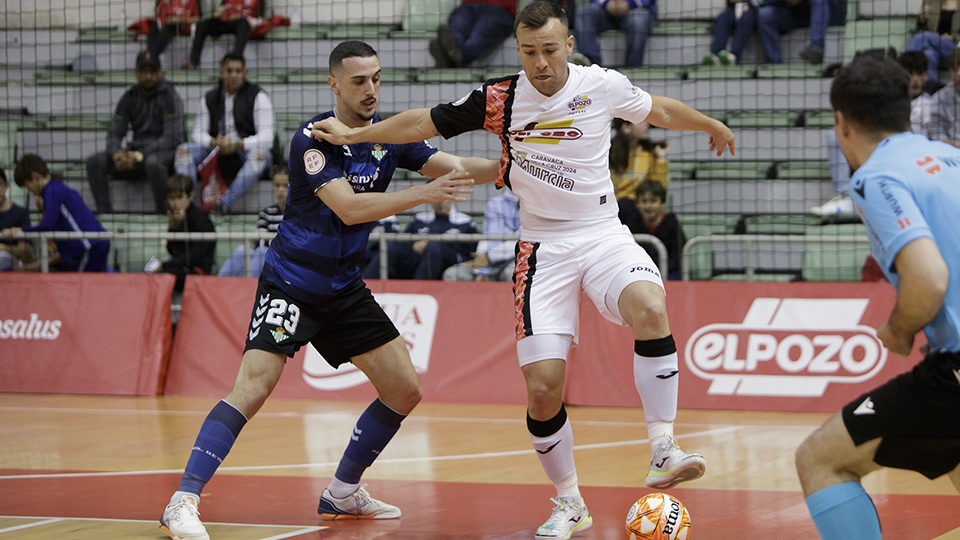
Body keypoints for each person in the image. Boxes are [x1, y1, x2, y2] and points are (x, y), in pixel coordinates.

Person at [310, 4, 735, 538]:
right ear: (518, 51)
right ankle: (569, 502)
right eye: (529, 52)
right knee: (543, 389)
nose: (540, 62)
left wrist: (709, 122)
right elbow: (423, 122)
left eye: (550, 50)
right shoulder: (500, 98)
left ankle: (664, 447)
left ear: (570, 45)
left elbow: (660, 111)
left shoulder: (600, 85)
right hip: (543, 248)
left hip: (604, 232)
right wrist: (353, 138)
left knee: (651, 305)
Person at [157, 40, 498, 540]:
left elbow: (460, 167)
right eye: (359, 81)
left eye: (377, 78)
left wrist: (517, 166)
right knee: (253, 387)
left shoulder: (389, 136)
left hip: (342, 288)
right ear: (334, 83)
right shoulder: (314, 139)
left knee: (405, 388)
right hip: (291, 283)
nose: (371, 90)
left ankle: (342, 492)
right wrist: (421, 195)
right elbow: (351, 209)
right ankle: (182, 501)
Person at [795, 57, 960, 540]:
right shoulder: (951, 156)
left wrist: (899, 329)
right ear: (906, 109)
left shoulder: (876, 177)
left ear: (840, 123)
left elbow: (928, 278)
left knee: (820, 459)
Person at [86, 51, 185, 215]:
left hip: (163, 155)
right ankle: (105, 215)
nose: (148, 76)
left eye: (152, 71)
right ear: (137, 74)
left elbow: (171, 138)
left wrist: (139, 154)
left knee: (154, 163)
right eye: (143, 72)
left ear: (160, 73)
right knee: (94, 162)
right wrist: (116, 153)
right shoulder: (129, 97)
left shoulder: (170, 97)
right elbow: (115, 131)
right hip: (134, 155)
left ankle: (163, 214)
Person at [175, 53, 275, 215]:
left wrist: (236, 144)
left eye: (238, 71)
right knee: (183, 151)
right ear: (222, 73)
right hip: (216, 149)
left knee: (259, 155)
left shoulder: (258, 96)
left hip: (244, 150)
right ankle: (189, 207)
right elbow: (197, 133)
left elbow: (268, 138)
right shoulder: (210, 97)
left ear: (245, 73)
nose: (233, 75)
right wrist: (213, 143)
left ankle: (223, 203)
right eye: (229, 71)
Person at [3, 155, 109, 272]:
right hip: (95, 244)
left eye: (27, 185)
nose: (29, 190)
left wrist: (21, 231)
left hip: (90, 246)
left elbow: (48, 225)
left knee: (79, 287)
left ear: (35, 176)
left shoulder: (51, 192)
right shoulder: (56, 188)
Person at [364, 200, 478, 280]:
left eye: (443, 197)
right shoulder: (420, 218)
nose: (439, 202)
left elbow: (473, 250)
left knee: (434, 247)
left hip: (449, 260)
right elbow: (403, 240)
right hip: (419, 258)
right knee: (393, 245)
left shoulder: (465, 221)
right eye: (435, 198)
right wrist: (414, 244)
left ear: (451, 196)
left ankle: (419, 290)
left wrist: (432, 243)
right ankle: (369, 284)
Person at [147, 174, 216, 291]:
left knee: (162, 275)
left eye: (179, 198)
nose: (174, 203)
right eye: (171, 198)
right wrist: (174, 228)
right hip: (179, 268)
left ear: (190, 196)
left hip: (197, 272)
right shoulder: (175, 217)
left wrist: (165, 265)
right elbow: (172, 251)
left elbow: (194, 255)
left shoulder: (202, 219)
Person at [217, 166, 287, 277]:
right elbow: (258, 242)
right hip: (265, 257)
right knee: (242, 250)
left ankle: (250, 287)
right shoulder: (266, 213)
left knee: (262, 252)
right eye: (277, 185)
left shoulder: (297, 214)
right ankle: (217, 285)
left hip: (285, 260)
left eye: (285, 186)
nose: (281, 190)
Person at [443, 187, 520, 282]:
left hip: (514, 260)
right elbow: (488, 236)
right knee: (452, 274)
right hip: (487, 259)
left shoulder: (536, 206)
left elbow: (524, 243)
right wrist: (481, 265)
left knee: (513, 274)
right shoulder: (495, 203)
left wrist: (489, 257)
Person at [618, 180, 685, 280]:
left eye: (653, 201)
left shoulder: (672, 224)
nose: (648, 206)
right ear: (637, 204)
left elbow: (677, 257)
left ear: (662, 203)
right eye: (644, 201)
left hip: (668, 273)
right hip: (639, 272)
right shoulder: (632, 224)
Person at [429, 0, 518, 68]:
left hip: (500, 8)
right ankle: (453, 55)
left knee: (477, 38)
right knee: (457, 30)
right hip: (468, 5)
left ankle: (451, 59)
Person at [756, 0, 846, 65]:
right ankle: (774, 65)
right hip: (794, 13)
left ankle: (816, 47)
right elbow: (766, 3)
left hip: (826, 10)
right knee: (765, 15)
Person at [182, 0, 263, 70]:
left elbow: (261, 20)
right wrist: (217, 13)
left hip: (240, 23)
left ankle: (234, 61)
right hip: (224, 22)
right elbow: (222, 9)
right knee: (202, 25)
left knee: (244, 24)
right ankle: (193, 62)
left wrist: (243, 17)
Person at [574, 0, 655, 67]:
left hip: (637, 10)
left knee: (638, 21)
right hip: (605, 11)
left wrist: (630, 3)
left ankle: (633, 68)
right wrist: (606, 2)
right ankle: (591, 65)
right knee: (583, 11)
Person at [609, 118, 669, 201]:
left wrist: (661, 159)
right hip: (613, 205)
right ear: (626, 128)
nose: (646, 124)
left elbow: (659, 188)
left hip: (639, 207)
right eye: (641, 121)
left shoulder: (649, 154)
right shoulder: (609, 153)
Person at [906, 0, 960, 82]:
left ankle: (904, 69)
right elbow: (919, 33)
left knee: (925, 36)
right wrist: (922, 21)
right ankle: (931, 89)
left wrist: (953, 38)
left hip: (955, 51)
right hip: (936, 49)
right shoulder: (930, 2)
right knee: (929, 54)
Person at [702, 0, 759, 66]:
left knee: (746, 20)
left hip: (754, 11)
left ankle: (733, 57)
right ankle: (716, 57)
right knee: (722, 19)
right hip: (736, 8)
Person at [0, 168, 33, 271]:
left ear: (6, 186)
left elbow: (24, 249)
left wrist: (3, 248)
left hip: (12, 268)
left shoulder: (20, 213)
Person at [927, 49, 960, 147]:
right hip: (950, 153)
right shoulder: (939, 98)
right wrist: (948, 143)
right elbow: (936, 131)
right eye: (954, 69)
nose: (958, 74)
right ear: (950, 71)